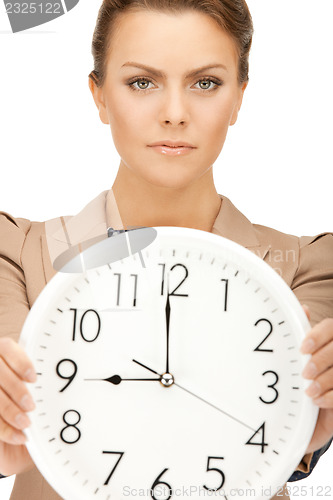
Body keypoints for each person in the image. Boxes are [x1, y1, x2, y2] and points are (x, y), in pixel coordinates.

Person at [0, 0, 332, 499]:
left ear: (240, 96)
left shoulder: (309, 267)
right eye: (142, 82)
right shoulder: (17, 254)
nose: (175, 114)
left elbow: (293, 436)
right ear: (99, 96)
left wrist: (314, 421)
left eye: (205, 83)